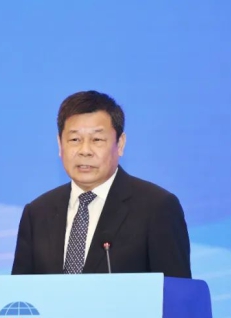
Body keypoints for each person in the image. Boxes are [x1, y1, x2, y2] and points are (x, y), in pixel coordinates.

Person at [11, 90, 191, 278]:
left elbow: (176, 291)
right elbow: (19, 292)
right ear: (60, 144)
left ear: (120, 144)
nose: (85, 151)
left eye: (97, 139)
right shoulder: (37, 213)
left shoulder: (157, 208)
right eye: (74, 140)